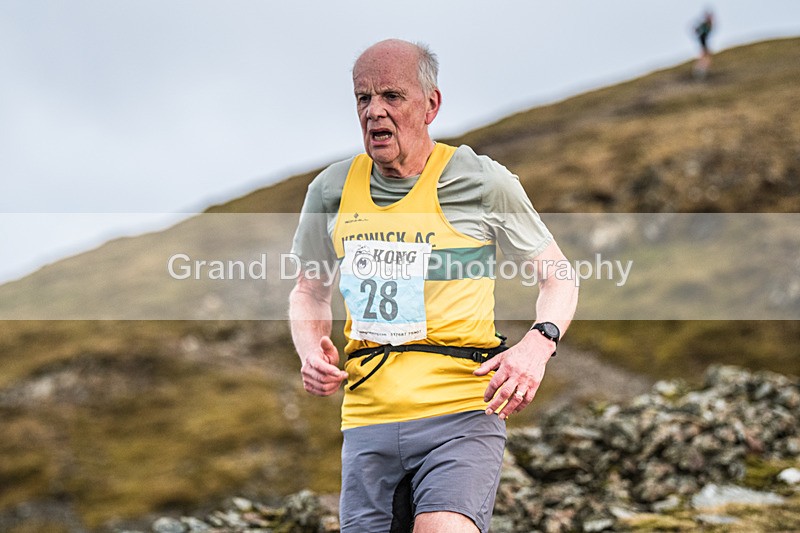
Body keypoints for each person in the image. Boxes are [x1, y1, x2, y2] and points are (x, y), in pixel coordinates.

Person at [289, 39, 578, 533]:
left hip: (461, 413)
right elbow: (309, 291)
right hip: (368, 421)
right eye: (363, 98)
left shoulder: (481, 182)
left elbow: (559, 276)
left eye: (391, 96)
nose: (374, 111)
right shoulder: (330, 190)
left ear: (431, 105)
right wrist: (309, 350)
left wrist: (538, 343)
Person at [694, 10, 714, 78]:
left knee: (705, 55)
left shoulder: (707, 24)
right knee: (706, 55)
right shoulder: (705, 24)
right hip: (703, 41)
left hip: (703, 41)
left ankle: (701, 69)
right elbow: (697, 31)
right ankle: (700, 70)